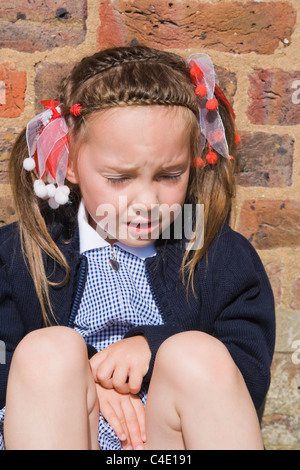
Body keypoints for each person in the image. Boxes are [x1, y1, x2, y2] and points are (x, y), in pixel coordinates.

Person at [0, 45, 275, 450]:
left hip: (165, 440)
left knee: (195, 354)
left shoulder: (214, 252)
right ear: (71, 162)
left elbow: (245, 368)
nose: (146, 200)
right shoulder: (25, 250)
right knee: (47, 352)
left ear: (192, 160)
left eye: (168, 175)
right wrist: (90, 379)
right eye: (119, 178)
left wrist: (156, 348)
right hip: (64, 431)